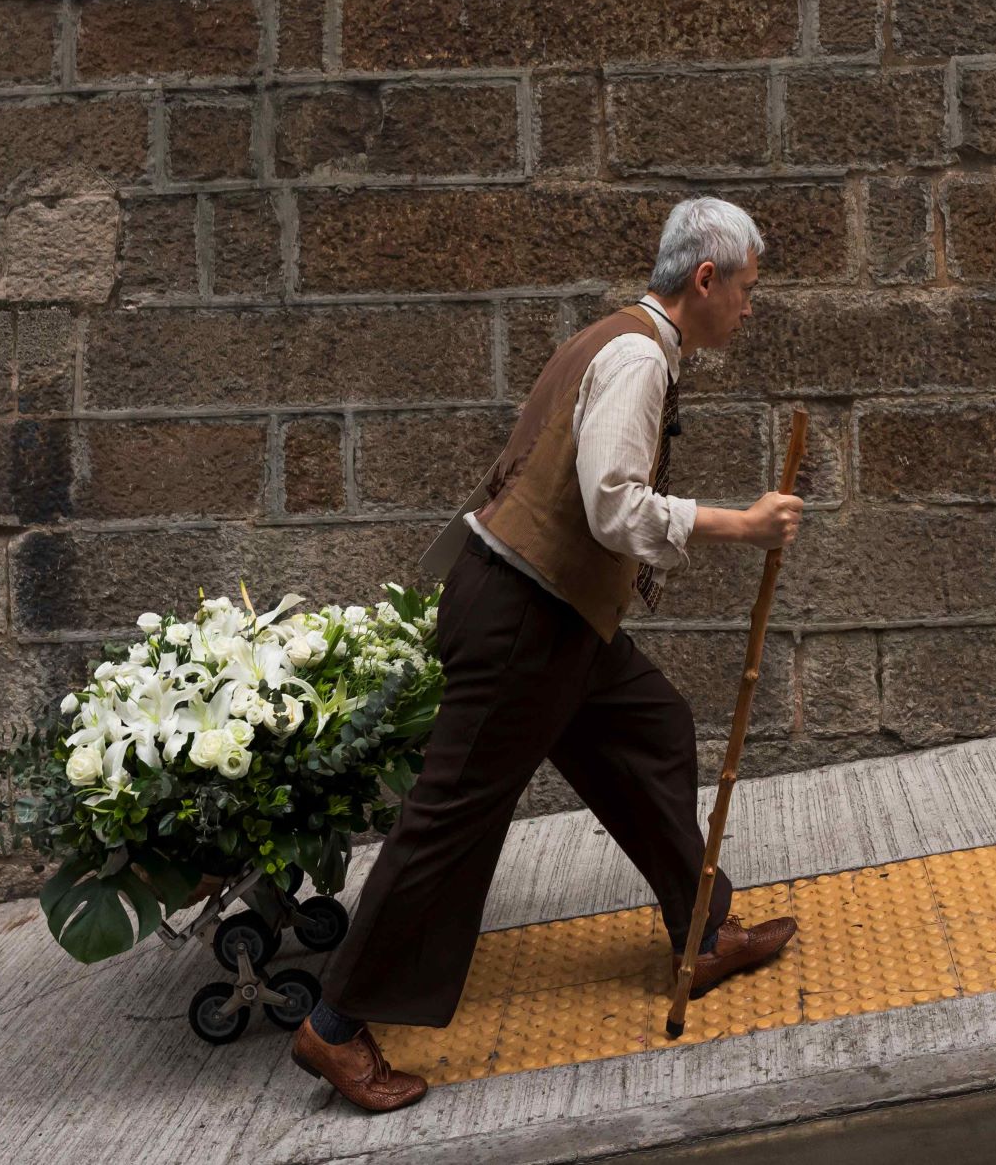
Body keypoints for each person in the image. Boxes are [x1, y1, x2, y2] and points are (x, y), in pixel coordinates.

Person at [289, 198, 805, 1112]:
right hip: (523, 618)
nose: (749, 308)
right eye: (746, 290)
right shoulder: (637, 358)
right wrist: (744, 524)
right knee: (451, 821)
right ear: (705, 279)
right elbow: (615, 507)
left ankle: (700, 931)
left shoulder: (616, 336)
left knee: (651, 727)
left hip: (551, 613)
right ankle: (334, 1026)